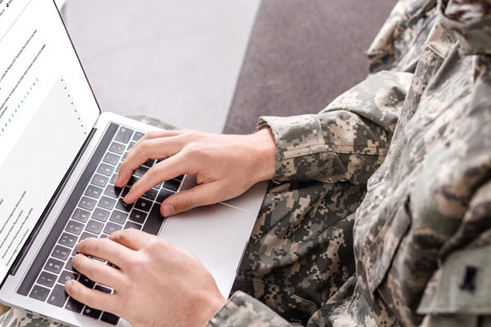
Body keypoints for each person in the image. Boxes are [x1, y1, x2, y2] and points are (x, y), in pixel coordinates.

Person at [2, 0, 491, 326]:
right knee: (134, 159)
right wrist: (273, 149)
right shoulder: (475, 19)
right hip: (365, 232)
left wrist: (204, 314)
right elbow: (422, 93)